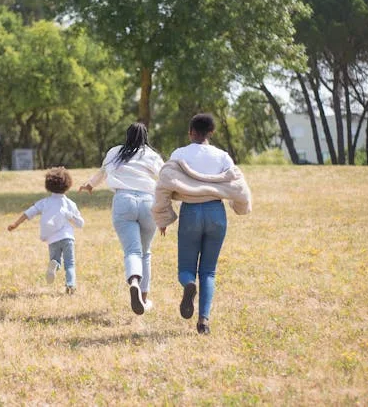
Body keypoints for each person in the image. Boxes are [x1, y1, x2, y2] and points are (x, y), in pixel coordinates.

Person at [152, 113, 252, 334]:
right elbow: (239, 186)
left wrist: (163, 218)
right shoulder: (222, 156)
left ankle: (189, 285)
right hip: (216, 213)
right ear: (211, 133)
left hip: (191, 213)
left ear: (191, 132)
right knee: (209, 271)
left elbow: (163, 186)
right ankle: (204, 321)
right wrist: (240, 208)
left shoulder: (179, 154)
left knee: (186, 269)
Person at [79, 122, 164, 315]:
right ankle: (143, 298)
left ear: (127, 136)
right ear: (145, 137)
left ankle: (133, 280)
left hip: (123, 200)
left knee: (132, 251)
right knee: (145, 252)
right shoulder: (150, 155)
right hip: (147, 202)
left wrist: (90, 185)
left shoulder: (115, 152)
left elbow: (102, 172)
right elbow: (165, 178)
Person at [7, 167, 84, 294]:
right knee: (70, 264)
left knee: (55, 260)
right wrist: (70, 216)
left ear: (48, 185)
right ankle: (70, 285)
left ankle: (54, 265)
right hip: (67, 238)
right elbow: (80, 224)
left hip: (52, 239)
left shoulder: (45, 202)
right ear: (68, 184)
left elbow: (29, 213)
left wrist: (15, 224)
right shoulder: (70, 204)